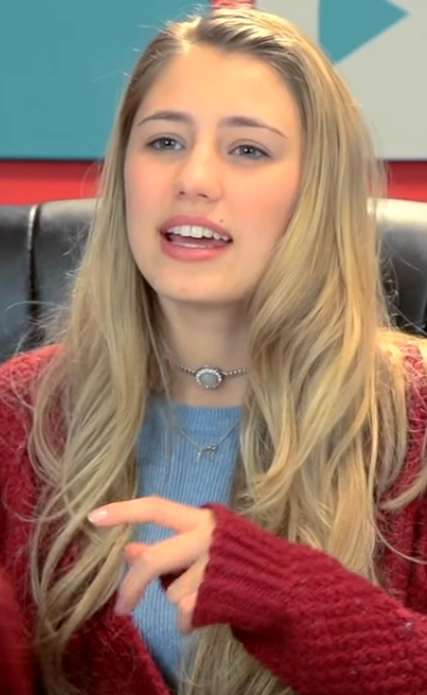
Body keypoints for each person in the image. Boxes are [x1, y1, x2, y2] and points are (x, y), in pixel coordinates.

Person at [1, 6, 427, 695]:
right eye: (164, 141)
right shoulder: (17, 411)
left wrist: (287, 595)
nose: (194, 178)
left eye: (248, 150)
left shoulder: (416, 417)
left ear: (315, 192)